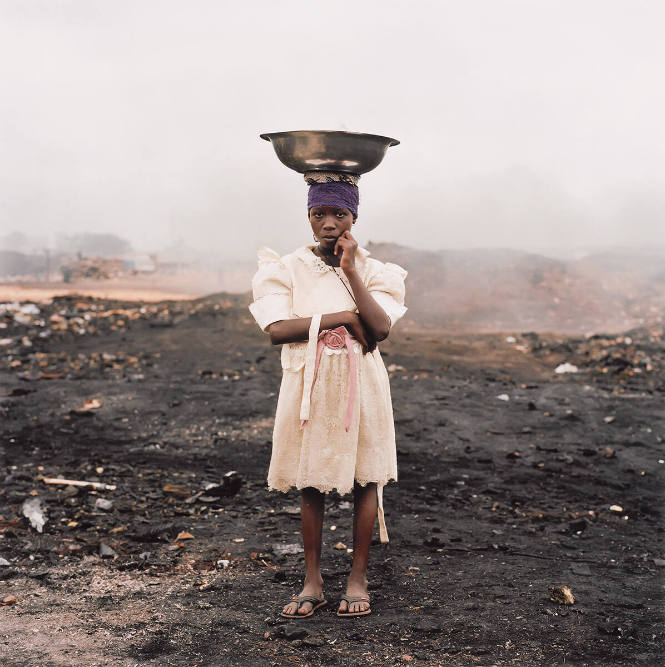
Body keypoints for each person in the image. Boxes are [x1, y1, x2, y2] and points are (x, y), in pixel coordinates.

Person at [248, 172, 407, 618]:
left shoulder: (377, 271)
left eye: (339, 213)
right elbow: (278, 329)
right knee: (310, 477)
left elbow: (378, 328)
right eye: (319, 213)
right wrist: (342, 317)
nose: (329, 222)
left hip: (363, 383)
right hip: (308, 383)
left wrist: (352, 272)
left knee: (365, 475)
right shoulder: (286, 269)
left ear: (354, 217)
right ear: (309, 217)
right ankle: (312, 580)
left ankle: (358, 577)